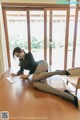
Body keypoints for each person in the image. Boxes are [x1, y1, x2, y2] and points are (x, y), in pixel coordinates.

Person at [11, 47, 80, 111]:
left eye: (19, 54)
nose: (18, 56)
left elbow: (33, 65)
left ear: (22, 51)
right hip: (39, 73)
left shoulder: (29, 54)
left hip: (41, 64)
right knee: (35, 84)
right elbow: (21, 70)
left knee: (34, 78)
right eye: (17, 56)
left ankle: (56, 72)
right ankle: (69, 96)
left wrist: (28, 75)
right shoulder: (21, 61)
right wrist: (16, 74)